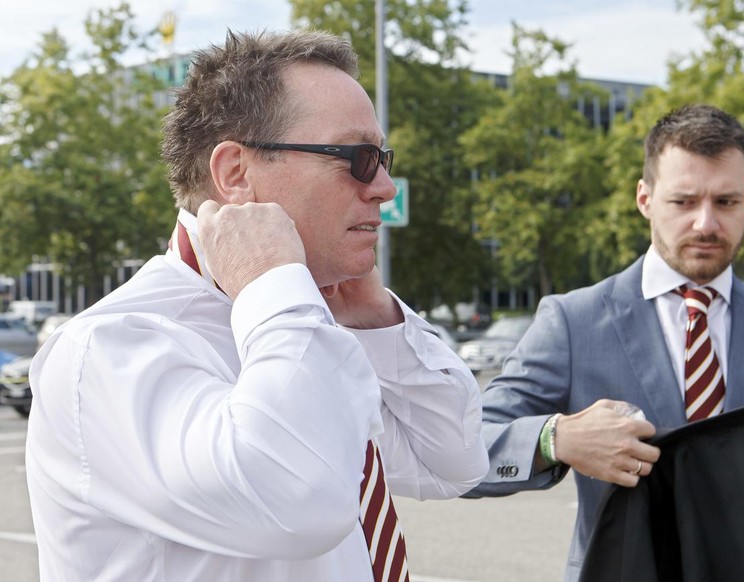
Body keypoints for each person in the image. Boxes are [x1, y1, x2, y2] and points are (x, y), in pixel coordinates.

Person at [25, 30, 489, 582]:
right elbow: (295, 502)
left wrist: (378, 324)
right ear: (236, 175)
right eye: (360, 159)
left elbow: (454, 460)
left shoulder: (307, 322)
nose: (385, 187)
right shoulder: (109, 348)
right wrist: (275, 291)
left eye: (382, 158)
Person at [465, 103, 744, 580]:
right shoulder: (573, 322)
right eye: (683, 201)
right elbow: (466, 449)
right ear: (645, 199)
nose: (705, 223)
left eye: (726, 202)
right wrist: (558, 438)